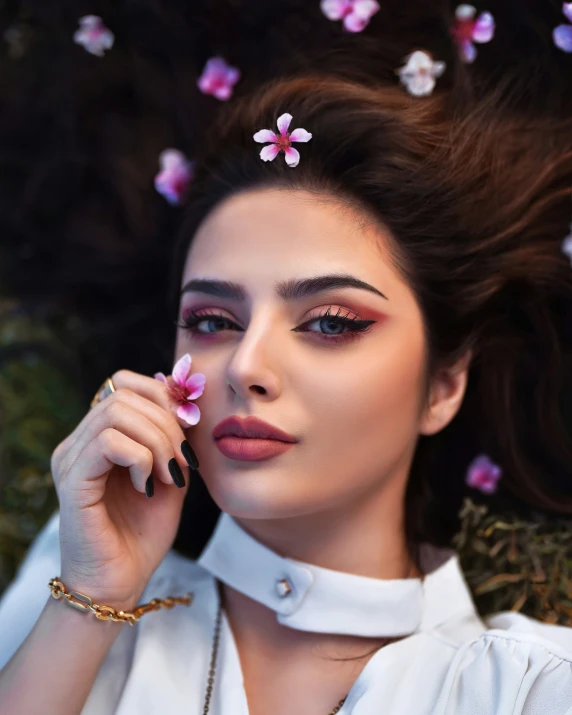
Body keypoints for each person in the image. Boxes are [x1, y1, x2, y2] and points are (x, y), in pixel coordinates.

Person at [1, 72, 572, 715]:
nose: (245, 366)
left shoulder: (531, 690)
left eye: (330, 322)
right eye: (213, 322)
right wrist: (88, 603)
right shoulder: (79, 602)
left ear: (443, 384)